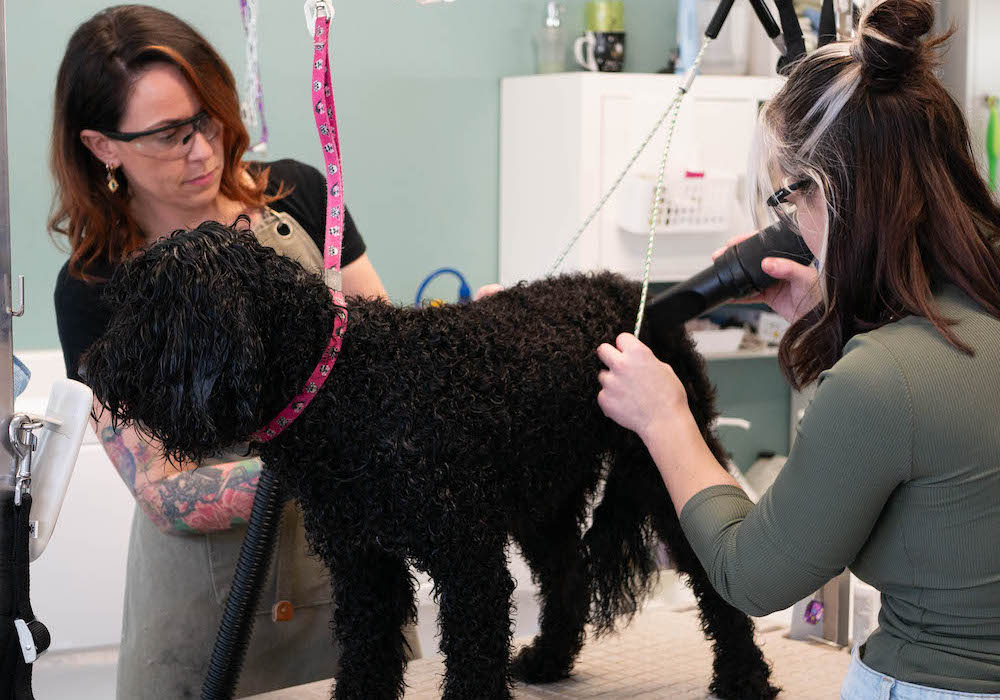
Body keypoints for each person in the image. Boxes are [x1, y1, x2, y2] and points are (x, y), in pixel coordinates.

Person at [596, 0, 1000, 697]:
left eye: (787, 199)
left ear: (831, 191)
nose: (787, 224)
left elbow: (753, 576)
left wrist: (664, 416)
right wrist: (835, 314)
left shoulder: (884, 380)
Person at [50, 6, 421, 698]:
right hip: (207, 617)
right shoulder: (94, 287)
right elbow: (161, 491)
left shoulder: (301, 198)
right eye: (168, 134)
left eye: (209, 118)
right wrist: (338, 460)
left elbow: (387, 364)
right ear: (103, 146)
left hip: (351, 589)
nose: (202, 150)